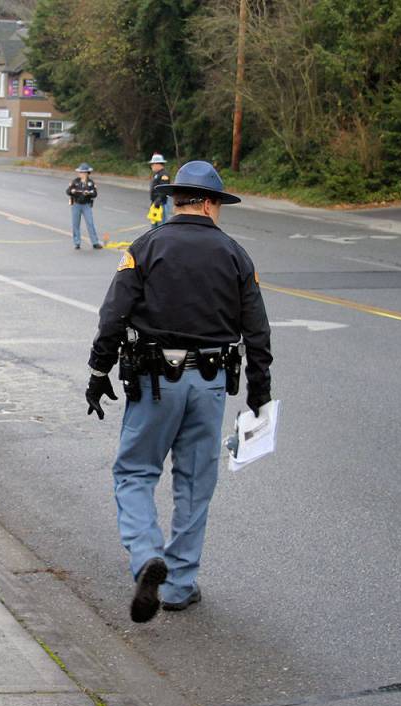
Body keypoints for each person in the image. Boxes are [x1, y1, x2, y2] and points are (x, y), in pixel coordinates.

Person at [85, 160, 272, 624]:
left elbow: (114, 316)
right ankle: (180, 584)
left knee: (134, 472)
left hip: (154, 381)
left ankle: (147, 554)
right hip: (210, 382)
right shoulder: (235, 254)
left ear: (175, 200)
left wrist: (98, 371)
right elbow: (257, 331)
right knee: (194, 482)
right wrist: (259, 393)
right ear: (210, 203)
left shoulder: (145, 247)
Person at [67, 163, 103, 250]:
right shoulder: (75, 182)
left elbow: (95, 194)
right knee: (75, 224)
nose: (81, 174)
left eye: (83, 172)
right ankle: (77, 243)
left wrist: (89, 193)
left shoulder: (91, 183)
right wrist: (72, 191)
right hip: (76, 205)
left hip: (86, 205)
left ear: (87, 173)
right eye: (80, 172)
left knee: (90, 223)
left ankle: (95, 242)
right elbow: (68, 191)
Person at [148, 153, 171, 226]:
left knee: (161, 225)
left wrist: (158, 201)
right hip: (156, 203)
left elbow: (164, 190)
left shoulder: (164, 175)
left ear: (158, 164)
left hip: (161, 203)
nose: (151, 166)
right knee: (154, 224)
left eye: (153, 164)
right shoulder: (157, 174)